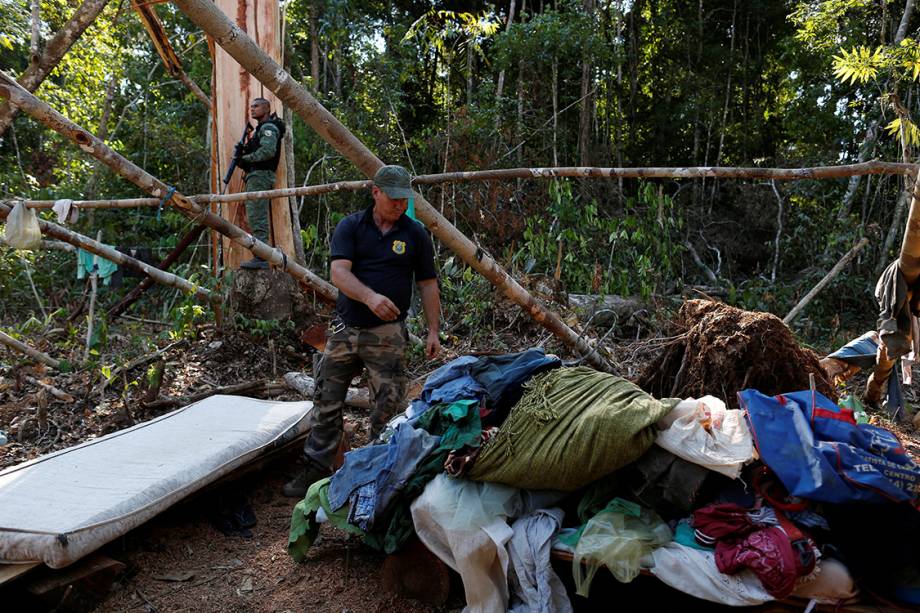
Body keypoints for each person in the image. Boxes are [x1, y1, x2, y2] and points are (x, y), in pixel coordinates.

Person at [283, 165, 441, 497]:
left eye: (404, 200)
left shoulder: (415, 234)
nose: (399, 206)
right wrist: (369, 297)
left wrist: (433, 331)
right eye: (393, 199)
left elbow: (428, 284)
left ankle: (376, 471)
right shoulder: (351, 227)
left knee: (386, 405)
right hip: (345, 330)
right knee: (326, 399)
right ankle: (314, 467)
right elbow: (339, 273)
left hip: (388, 335)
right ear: (376, 192)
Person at [237, 97, 285, 270]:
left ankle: (261, 257)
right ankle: (261, 255)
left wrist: (246, 159)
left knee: (257, 216)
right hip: (256, 175)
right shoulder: (260, 129)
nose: (252, 109)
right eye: (251, 107)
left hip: (260, 176)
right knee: (255, 215)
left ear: (266, 108)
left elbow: (267, 151)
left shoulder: (268, 128)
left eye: (256, 106)